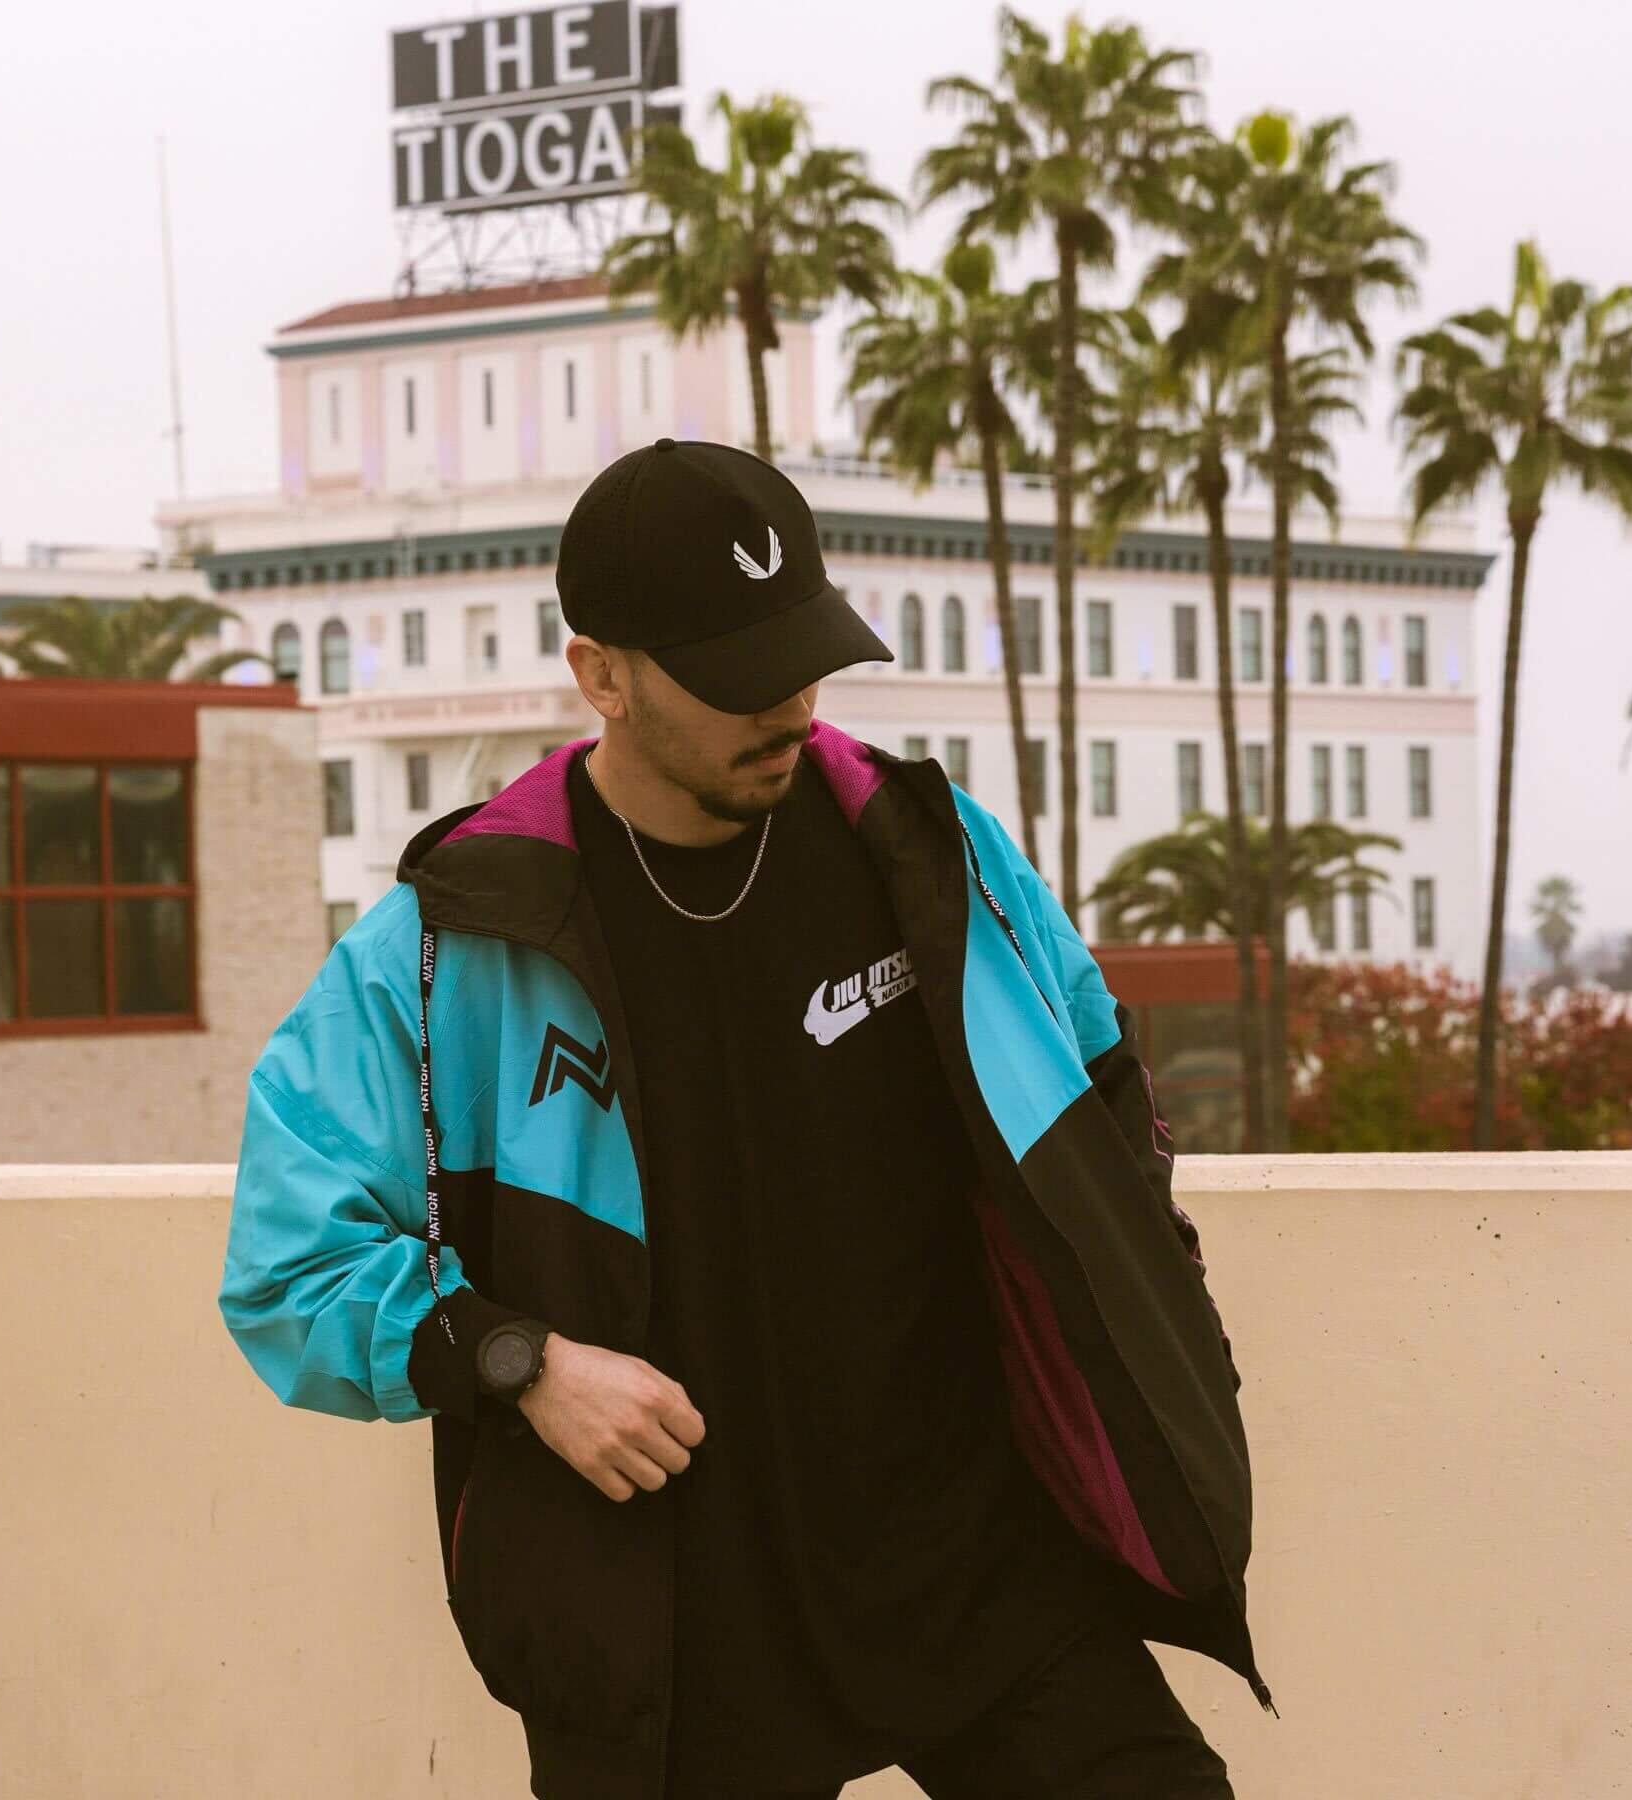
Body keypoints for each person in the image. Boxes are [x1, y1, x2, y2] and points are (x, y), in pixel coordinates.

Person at [219, 439, 1274, 1800]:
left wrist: (1137, 1288)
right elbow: (288, 1266)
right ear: (599, 670)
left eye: (803, 653)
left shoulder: (927, 854)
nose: (786, 704)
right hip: (672, 1639)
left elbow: (1097, 1088)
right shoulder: (453, 944)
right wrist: (517, 1362)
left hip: (979, 1574)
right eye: (733, 674)